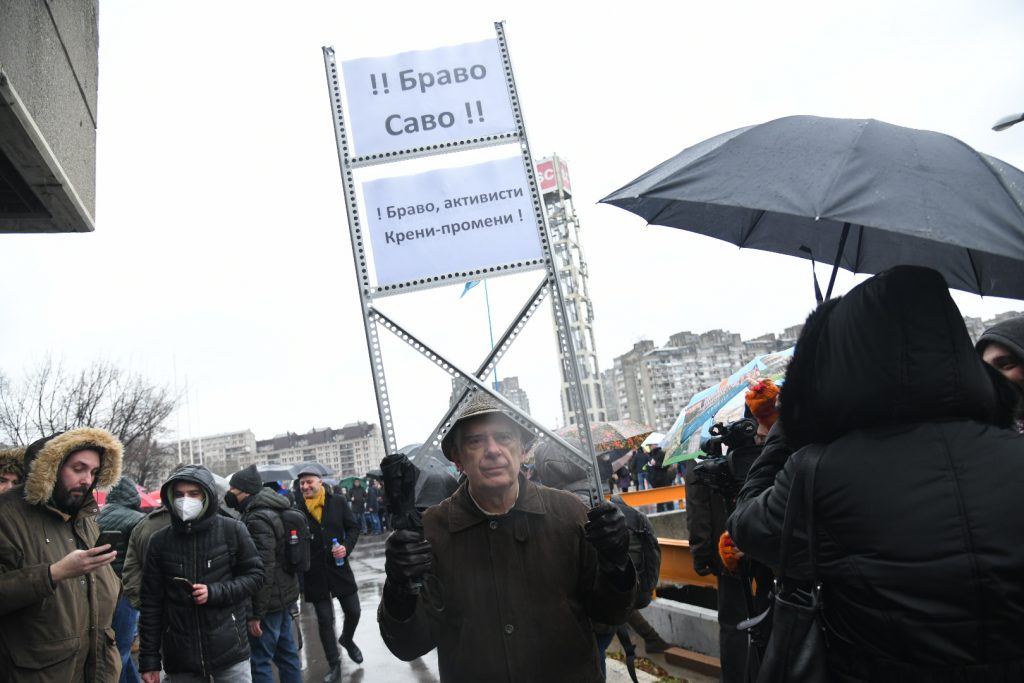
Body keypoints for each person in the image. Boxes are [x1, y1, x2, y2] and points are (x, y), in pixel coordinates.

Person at [729, 265, 1024, 681]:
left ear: (852, 356)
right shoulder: (1014, 453)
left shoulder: (818, 474)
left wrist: (787, 428)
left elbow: (747, 526)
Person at [378, 392, 637, 682]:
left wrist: (617, 564)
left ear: (523, 450)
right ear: (458, 457)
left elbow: (610, 614)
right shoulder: (432, 532)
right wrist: (400, 588)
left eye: (504, 437)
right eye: (475, 441)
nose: (492, 450)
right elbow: (409, 644)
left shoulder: (569, 513)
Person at [0, 428, 124, 681]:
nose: (87, 480)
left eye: (93, 472)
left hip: (96, 669)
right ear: (51, 468)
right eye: (78, 469)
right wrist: (55, 573)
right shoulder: (7, 515)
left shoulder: (84, 516)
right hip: (37, 673)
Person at [138, 464, 264, 683]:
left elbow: (255, 577)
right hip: (180, 658)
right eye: (179, 495)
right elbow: (151, 603)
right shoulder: (159, 542)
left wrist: (214, 592)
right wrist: (149, 659)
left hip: (230, 651)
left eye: (193, 494)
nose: (185, 500)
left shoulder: (232, 530)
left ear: (207, 496)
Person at [225, 465, 303, 683]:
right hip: (283, 597)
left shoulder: (257, 518)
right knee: (287, 656)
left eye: (233, 489)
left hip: (268, 604)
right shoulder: (272, 508)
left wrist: (255, 614)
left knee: (259, 662)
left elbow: (262, 569)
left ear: (246, 492)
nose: (230, 493)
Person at [295, 465, 363, 682]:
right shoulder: (296, 510)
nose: (305, 486)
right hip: (314, 574)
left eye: (309, 482)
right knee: (325, 621)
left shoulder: (338, 502)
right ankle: (334, 664)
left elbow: (353, 528)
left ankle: (348, 639)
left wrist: (346, 547)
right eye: (302, 483)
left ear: (319, 483)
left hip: (339, 568)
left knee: (354, 611)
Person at [98, 476, 147, 683]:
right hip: (127, 590)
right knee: (121, 649)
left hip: (102, 589)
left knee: (113, 646)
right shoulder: (138, 519)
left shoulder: (96, 517)